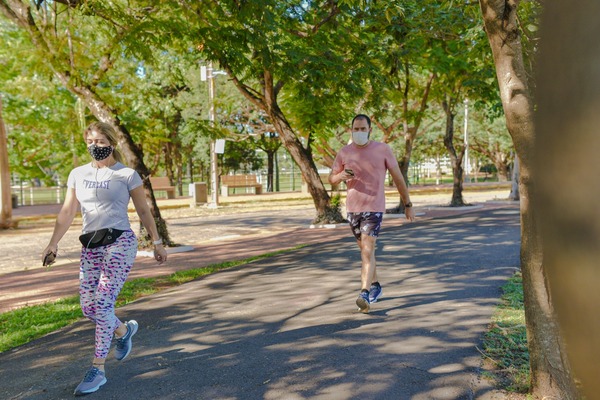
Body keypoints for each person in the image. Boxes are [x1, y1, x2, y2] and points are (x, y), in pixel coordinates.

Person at [41, 121, 168, 396]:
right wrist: (53, 244)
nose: (94, 146)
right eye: (90, 141)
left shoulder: (126, 175)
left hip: (120, 242)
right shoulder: (77, 174)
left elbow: (144, 212)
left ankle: (98, 369)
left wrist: (157, 242)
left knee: (102, 304)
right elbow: (67, 212)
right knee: (88, 308)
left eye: (99, 141)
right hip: (91, 246)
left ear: (111, 142)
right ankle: (123, 331)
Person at [329, 114, 415, 313]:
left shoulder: (382, 150)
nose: (359, 132)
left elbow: (398, 178)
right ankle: (375, 285)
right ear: (351, 130)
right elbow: (331, 178)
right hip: (353, 209)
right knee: (365, 252)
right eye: (355, 129)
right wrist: (341, 175)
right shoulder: (344, 152)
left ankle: (364, 294)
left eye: (362, 129)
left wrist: (407, 203)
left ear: (370, 130)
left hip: (374, 208)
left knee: (367, 250)